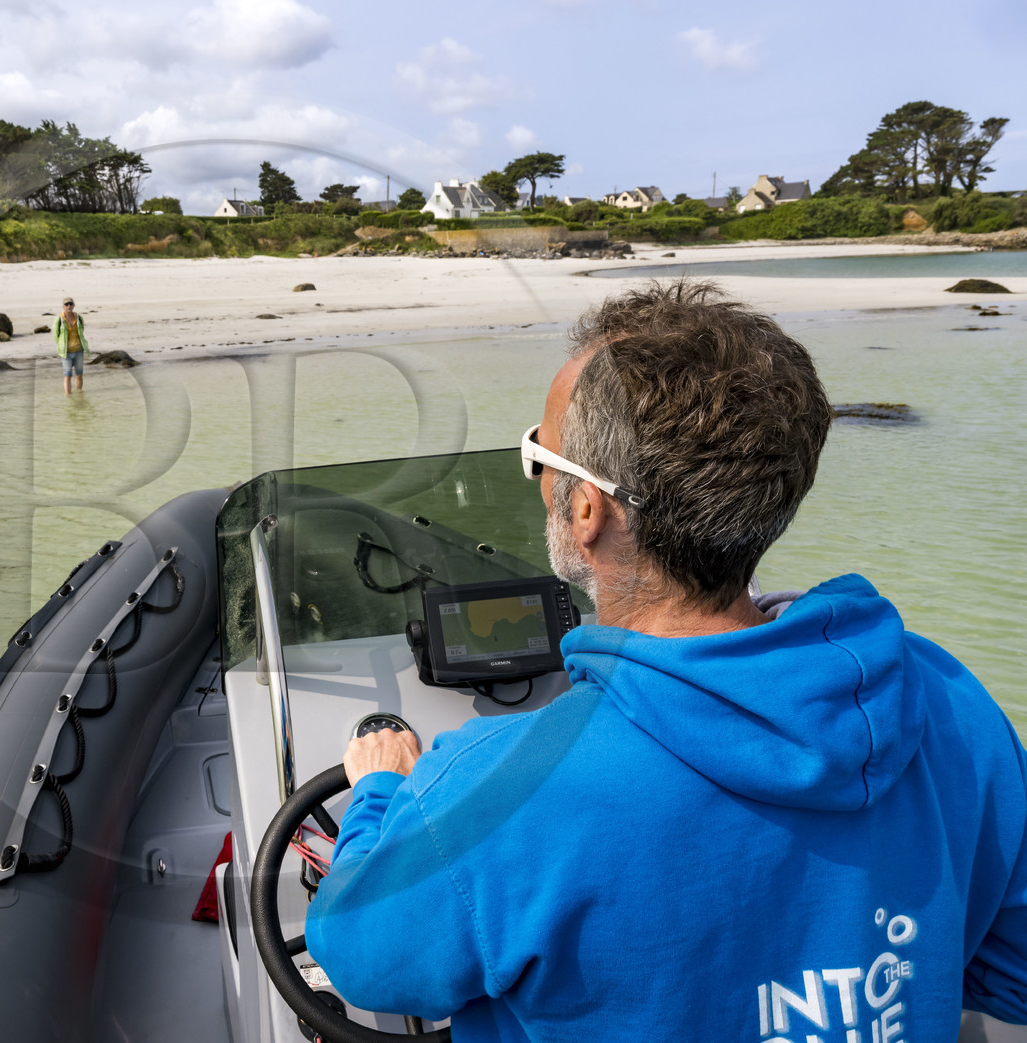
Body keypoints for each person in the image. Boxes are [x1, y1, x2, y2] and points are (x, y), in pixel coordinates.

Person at [304, 280, 1027, 1040]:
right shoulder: (942, 694)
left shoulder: (498, 790)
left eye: (538, 456)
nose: (539, 478)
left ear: (587, 509)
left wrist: (382, 792)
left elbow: (360, 952)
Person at [54, 296, 88, 395]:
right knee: (67, 375)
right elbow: (55, 335)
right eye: (66, 304)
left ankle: (79, 394)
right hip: (66, 352)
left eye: (71, 304)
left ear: (73, 305)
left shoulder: (79, 318)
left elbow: (81, 332)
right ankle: (68, 396)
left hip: (78, 350)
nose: (69, 306)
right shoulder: (59, 319)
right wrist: (62, 346)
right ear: (63, 306)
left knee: (79, 375)